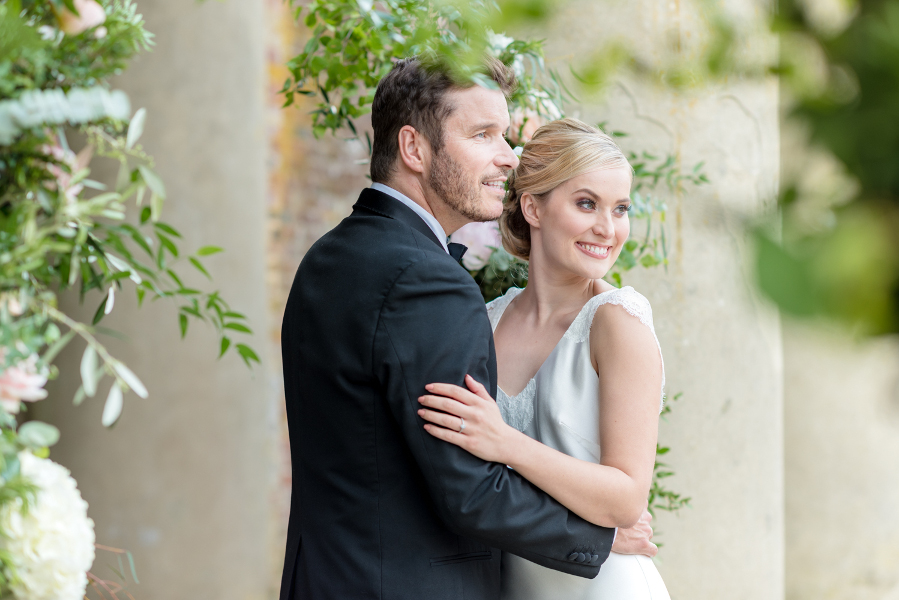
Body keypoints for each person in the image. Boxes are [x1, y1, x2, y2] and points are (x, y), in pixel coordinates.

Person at [278, 57, 655, 600]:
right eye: (483, 134)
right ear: (414, 148)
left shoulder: (327, 257)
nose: (507, 158)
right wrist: (597, 536)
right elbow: (470, 491)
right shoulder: (428, 283)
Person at [417, 118, 672, 599]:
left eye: (621, 209)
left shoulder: (618, 321)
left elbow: (626, 498)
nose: (607, 228)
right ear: (533, 207)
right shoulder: (485, 322)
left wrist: (506, 443)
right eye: (586, 203)